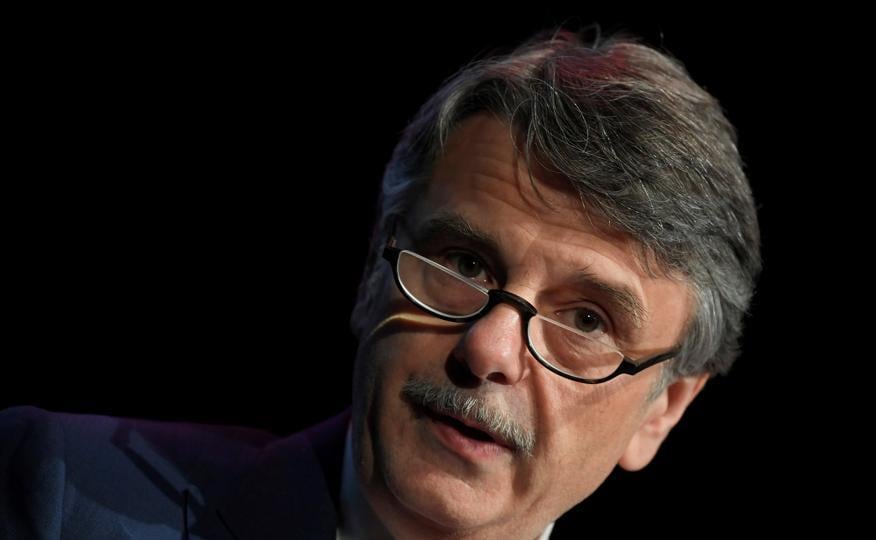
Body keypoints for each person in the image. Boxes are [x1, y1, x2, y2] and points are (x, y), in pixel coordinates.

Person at [0, 26, 760, 539]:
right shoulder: (64, 496)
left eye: (587, 320)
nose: (489, 349)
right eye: (464, 264)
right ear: (374, 268)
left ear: (662, 408)